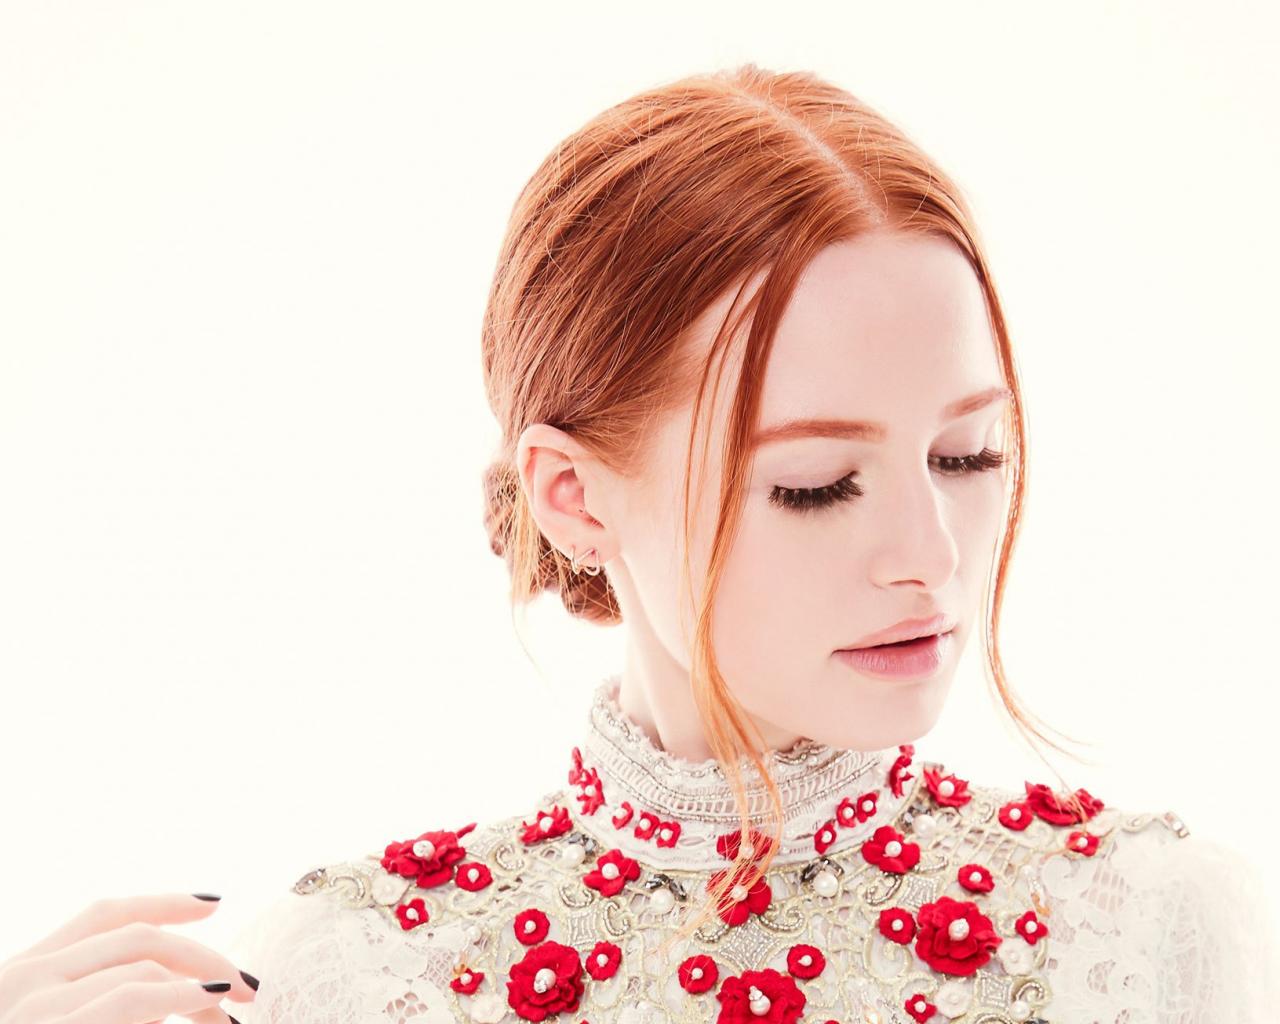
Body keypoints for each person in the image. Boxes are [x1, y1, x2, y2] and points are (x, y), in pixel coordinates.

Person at [3, 62, 1272, 1024]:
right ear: (571, 495)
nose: (930, 553)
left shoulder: (1156, 929)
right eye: (816, 485)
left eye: (967, 455)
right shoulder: (351, 970)